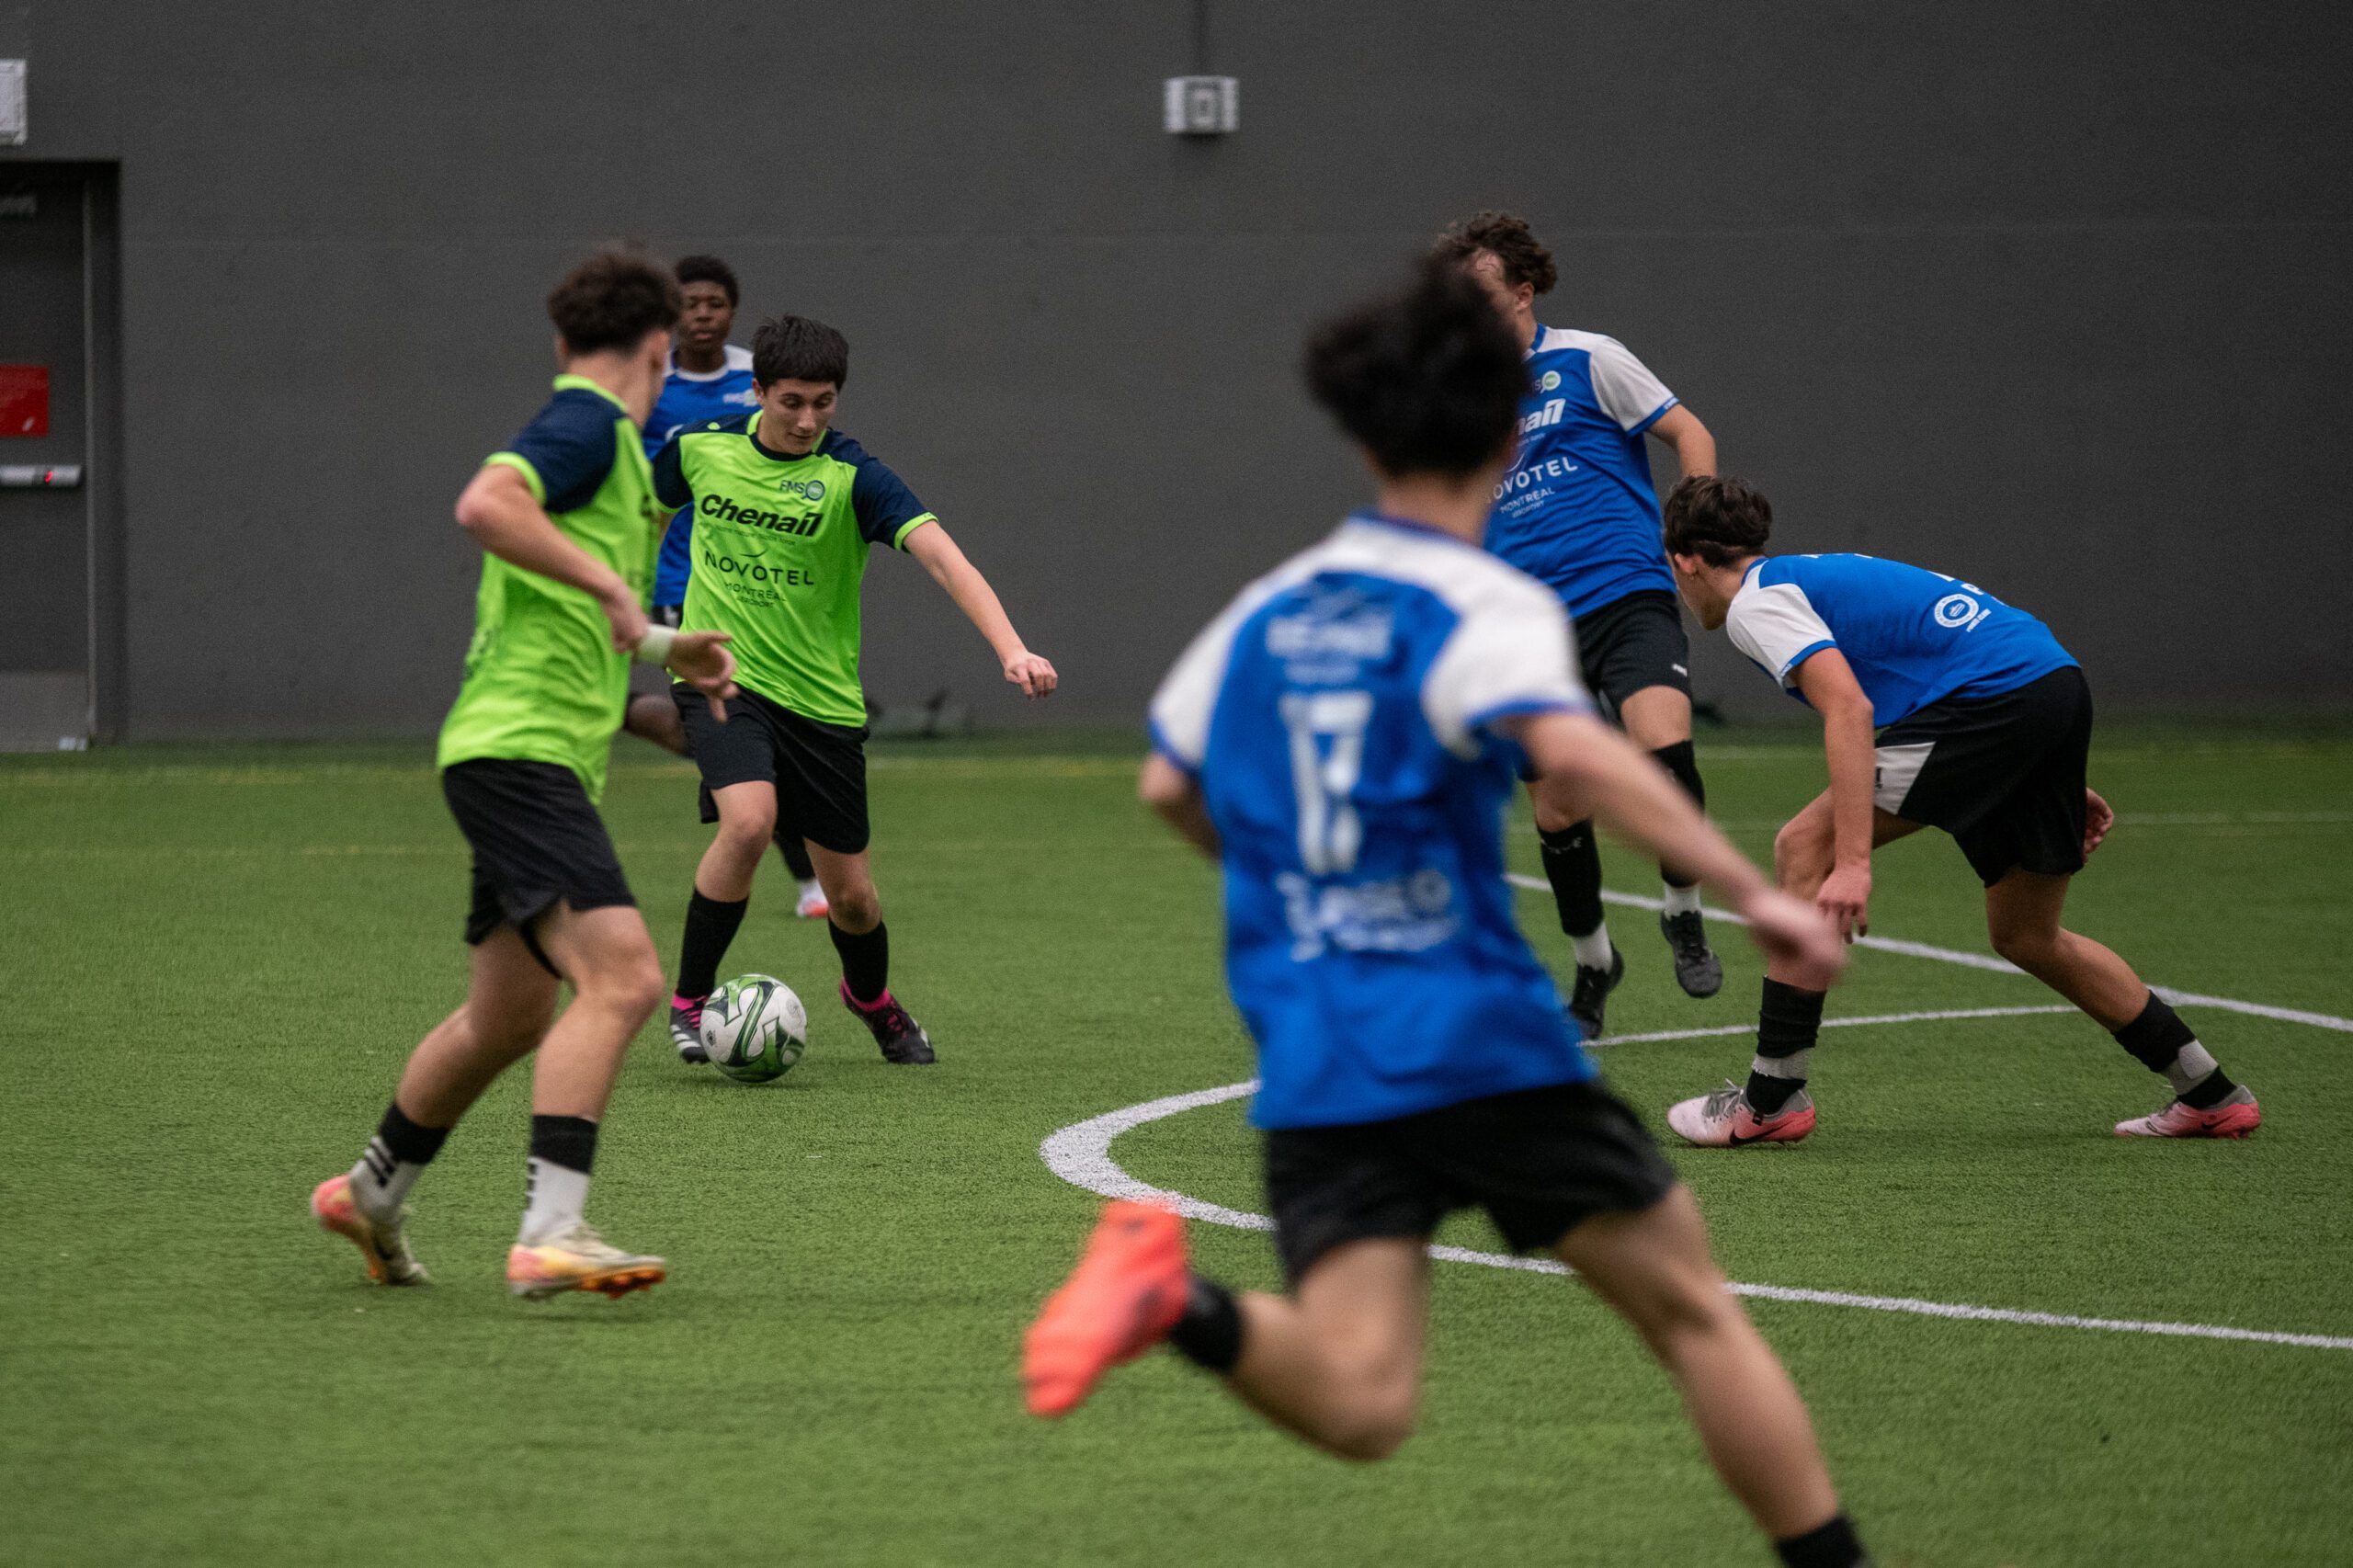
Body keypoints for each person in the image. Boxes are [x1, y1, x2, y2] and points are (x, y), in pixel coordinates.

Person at [1022, 265, 1873, 1568]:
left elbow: (1167, 783)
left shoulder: (1272, 606)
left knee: (1363, 1397)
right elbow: (1577, 756)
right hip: (1475, 1039)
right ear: (1502, 437)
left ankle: (1177, 1301)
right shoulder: (1481, 599)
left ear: (1363, 443)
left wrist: (1297, 888)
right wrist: (1761, 895)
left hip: (1320, 1051)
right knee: (1695, 1313)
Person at [310, 252, 740, 1298]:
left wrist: (665, 645)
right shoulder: (588, 422)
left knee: (507, 1017)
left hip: (514, 752)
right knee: (625, 978)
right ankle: (552, 1230)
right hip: (521, 753)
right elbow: (486, 504)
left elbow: (566, 603)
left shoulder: (607, 450)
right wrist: (614, 586)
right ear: (657, 348)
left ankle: (372, 1191)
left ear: (561, 339)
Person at [1656, 474, 2262, 1144]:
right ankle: (2210, 1094)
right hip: (2046, 687)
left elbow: (1849, 709)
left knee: (1804, 846)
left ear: (1685, 561)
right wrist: (2036, 767)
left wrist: (1852, 863)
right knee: (2026, 935)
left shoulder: (1755, 603)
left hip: (1994, 701)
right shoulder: (1804, 576)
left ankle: (1770, 1102)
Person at [654, 314, 1059, 1066]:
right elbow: (641, 512)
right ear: (758, 391)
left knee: (852, 899)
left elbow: (943, 558)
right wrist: (637, 606)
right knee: (748, 823)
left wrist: (1012, 648)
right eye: (792, 402)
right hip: (722, 678)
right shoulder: (700, 449)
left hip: (823, 704)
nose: (808, 419)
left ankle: (870, 999)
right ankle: (689, 1001)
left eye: (824, 402)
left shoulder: (853, 475)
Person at [1432, 211, 1722, 1038]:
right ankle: (1594, 963)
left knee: (1665, 751)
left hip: (1625, 592)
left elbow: (1689, 432)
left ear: (1523, 293)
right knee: (1557, 811)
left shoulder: (1588, 359)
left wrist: (1693, 535)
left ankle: (1682, 908)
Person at [621, 254, 828, 920]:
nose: (702, 314)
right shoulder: (650, 381)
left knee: (745, 729)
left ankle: (613, 708)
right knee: (740, 723)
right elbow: (631, 477)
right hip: (679, 579)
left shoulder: (756, 379)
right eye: (690, 303)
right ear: (671, 314)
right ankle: (810, 881)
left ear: (732, 311)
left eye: (714, 302)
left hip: (755, 575)